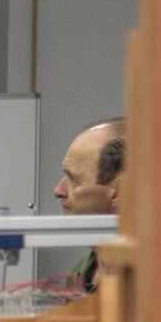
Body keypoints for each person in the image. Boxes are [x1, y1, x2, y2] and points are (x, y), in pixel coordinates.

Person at [52, 116, 125, 293]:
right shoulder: (81, 271)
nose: (58, 191)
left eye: (73, 179)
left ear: (119, 192)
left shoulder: (156, 280)